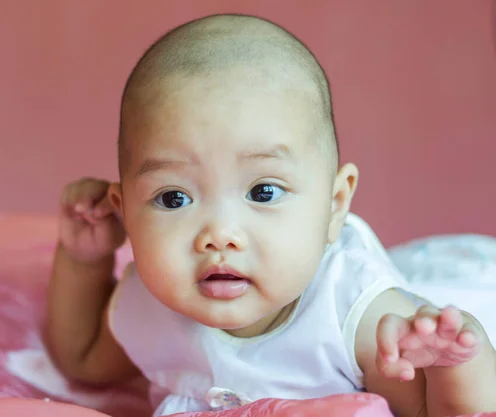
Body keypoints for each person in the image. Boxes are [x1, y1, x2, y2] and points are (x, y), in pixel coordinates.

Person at [45, 13, 496, 417]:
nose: (219, 235)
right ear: (126, 212)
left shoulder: (358, 319)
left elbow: (445, 413)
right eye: (173, 198)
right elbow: (83, 360)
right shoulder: (150, 305)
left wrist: (450, 363)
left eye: (263, 192)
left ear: (334, 204)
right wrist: (85, 261)